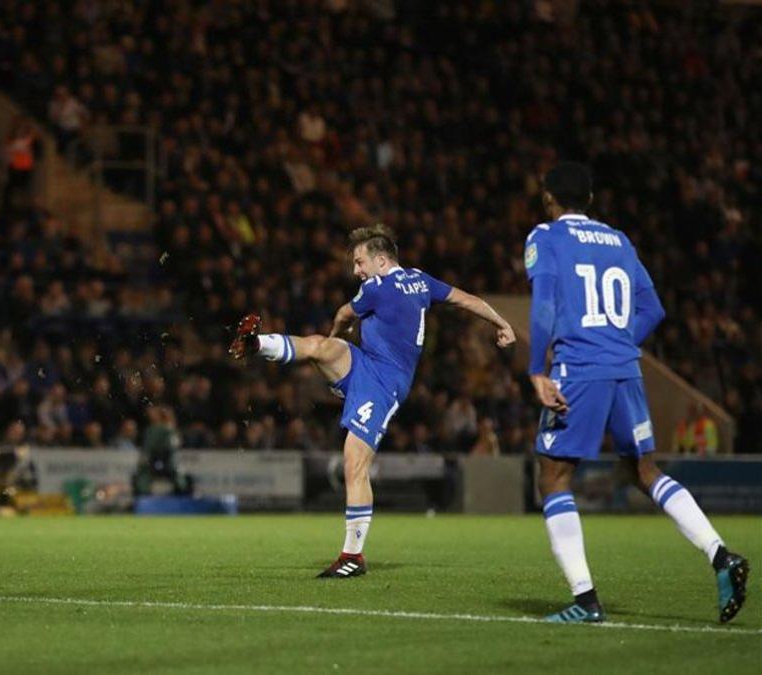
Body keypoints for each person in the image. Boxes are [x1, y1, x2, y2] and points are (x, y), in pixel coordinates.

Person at [524, 161, 748, 623]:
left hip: (578, 368)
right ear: (588, 200)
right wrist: (620, 342)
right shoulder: (619, 240)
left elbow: (544, 300)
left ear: (549, 198)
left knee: (552, 478)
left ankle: (585, 600)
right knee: (644, 469)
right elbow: (654, 308)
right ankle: (720, 555)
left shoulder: (544, 238)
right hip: (626, 370)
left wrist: (535, 368)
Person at [230, 223, 515, 578]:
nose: (356, 271)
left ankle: (353, 556)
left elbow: (343, 313)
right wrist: (501, 323)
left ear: (381, 260)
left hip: (384, 383)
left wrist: (338, 339)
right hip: (367, 364)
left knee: (354, 459)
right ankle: (257, 344)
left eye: (360, 262)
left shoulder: (376, 288)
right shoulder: (421, 280)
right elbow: (468, 300)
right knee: (321, 347)